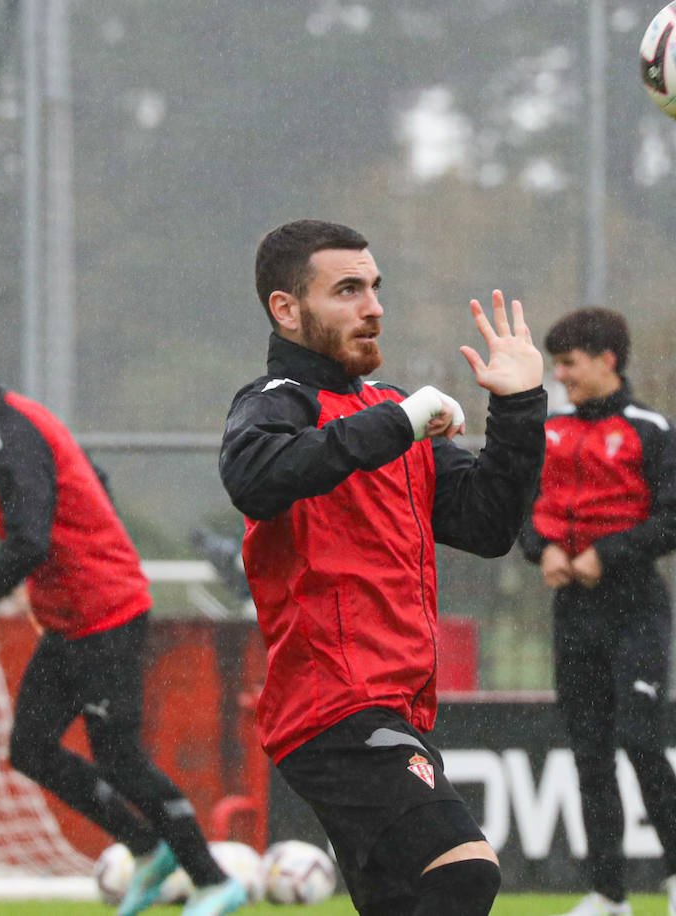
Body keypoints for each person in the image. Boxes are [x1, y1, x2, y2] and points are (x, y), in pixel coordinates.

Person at [217, 219, 546, 916]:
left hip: (393, 707)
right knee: (463, 873)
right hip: (333, 709)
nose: (373, 307)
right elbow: (256, 477)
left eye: (374, 288)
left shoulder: (388, 408)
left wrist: (517, 409)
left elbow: (488, 526)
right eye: (346, 290)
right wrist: (401, 422)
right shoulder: (276, 401)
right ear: (286, 309)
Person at [0, 320, 245, 916]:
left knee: (119, 756)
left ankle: (215, 880)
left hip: (103, 615)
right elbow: (93, 483)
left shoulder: (9, 433)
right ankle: (148, 851)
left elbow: (28, 542)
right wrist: (73, 571)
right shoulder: (8, 424)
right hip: (72, 616)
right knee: (31, 748)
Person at [517, 307, 676, 916]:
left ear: (607, 360)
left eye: (568, 364)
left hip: (636, 608)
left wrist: (610, 554)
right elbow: (521, 507)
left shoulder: (652, 431)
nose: (561, 376)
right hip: (574, 611)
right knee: (590, 752)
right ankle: (609, 894)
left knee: (641, 740)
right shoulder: (548, 432)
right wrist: (540, 549)